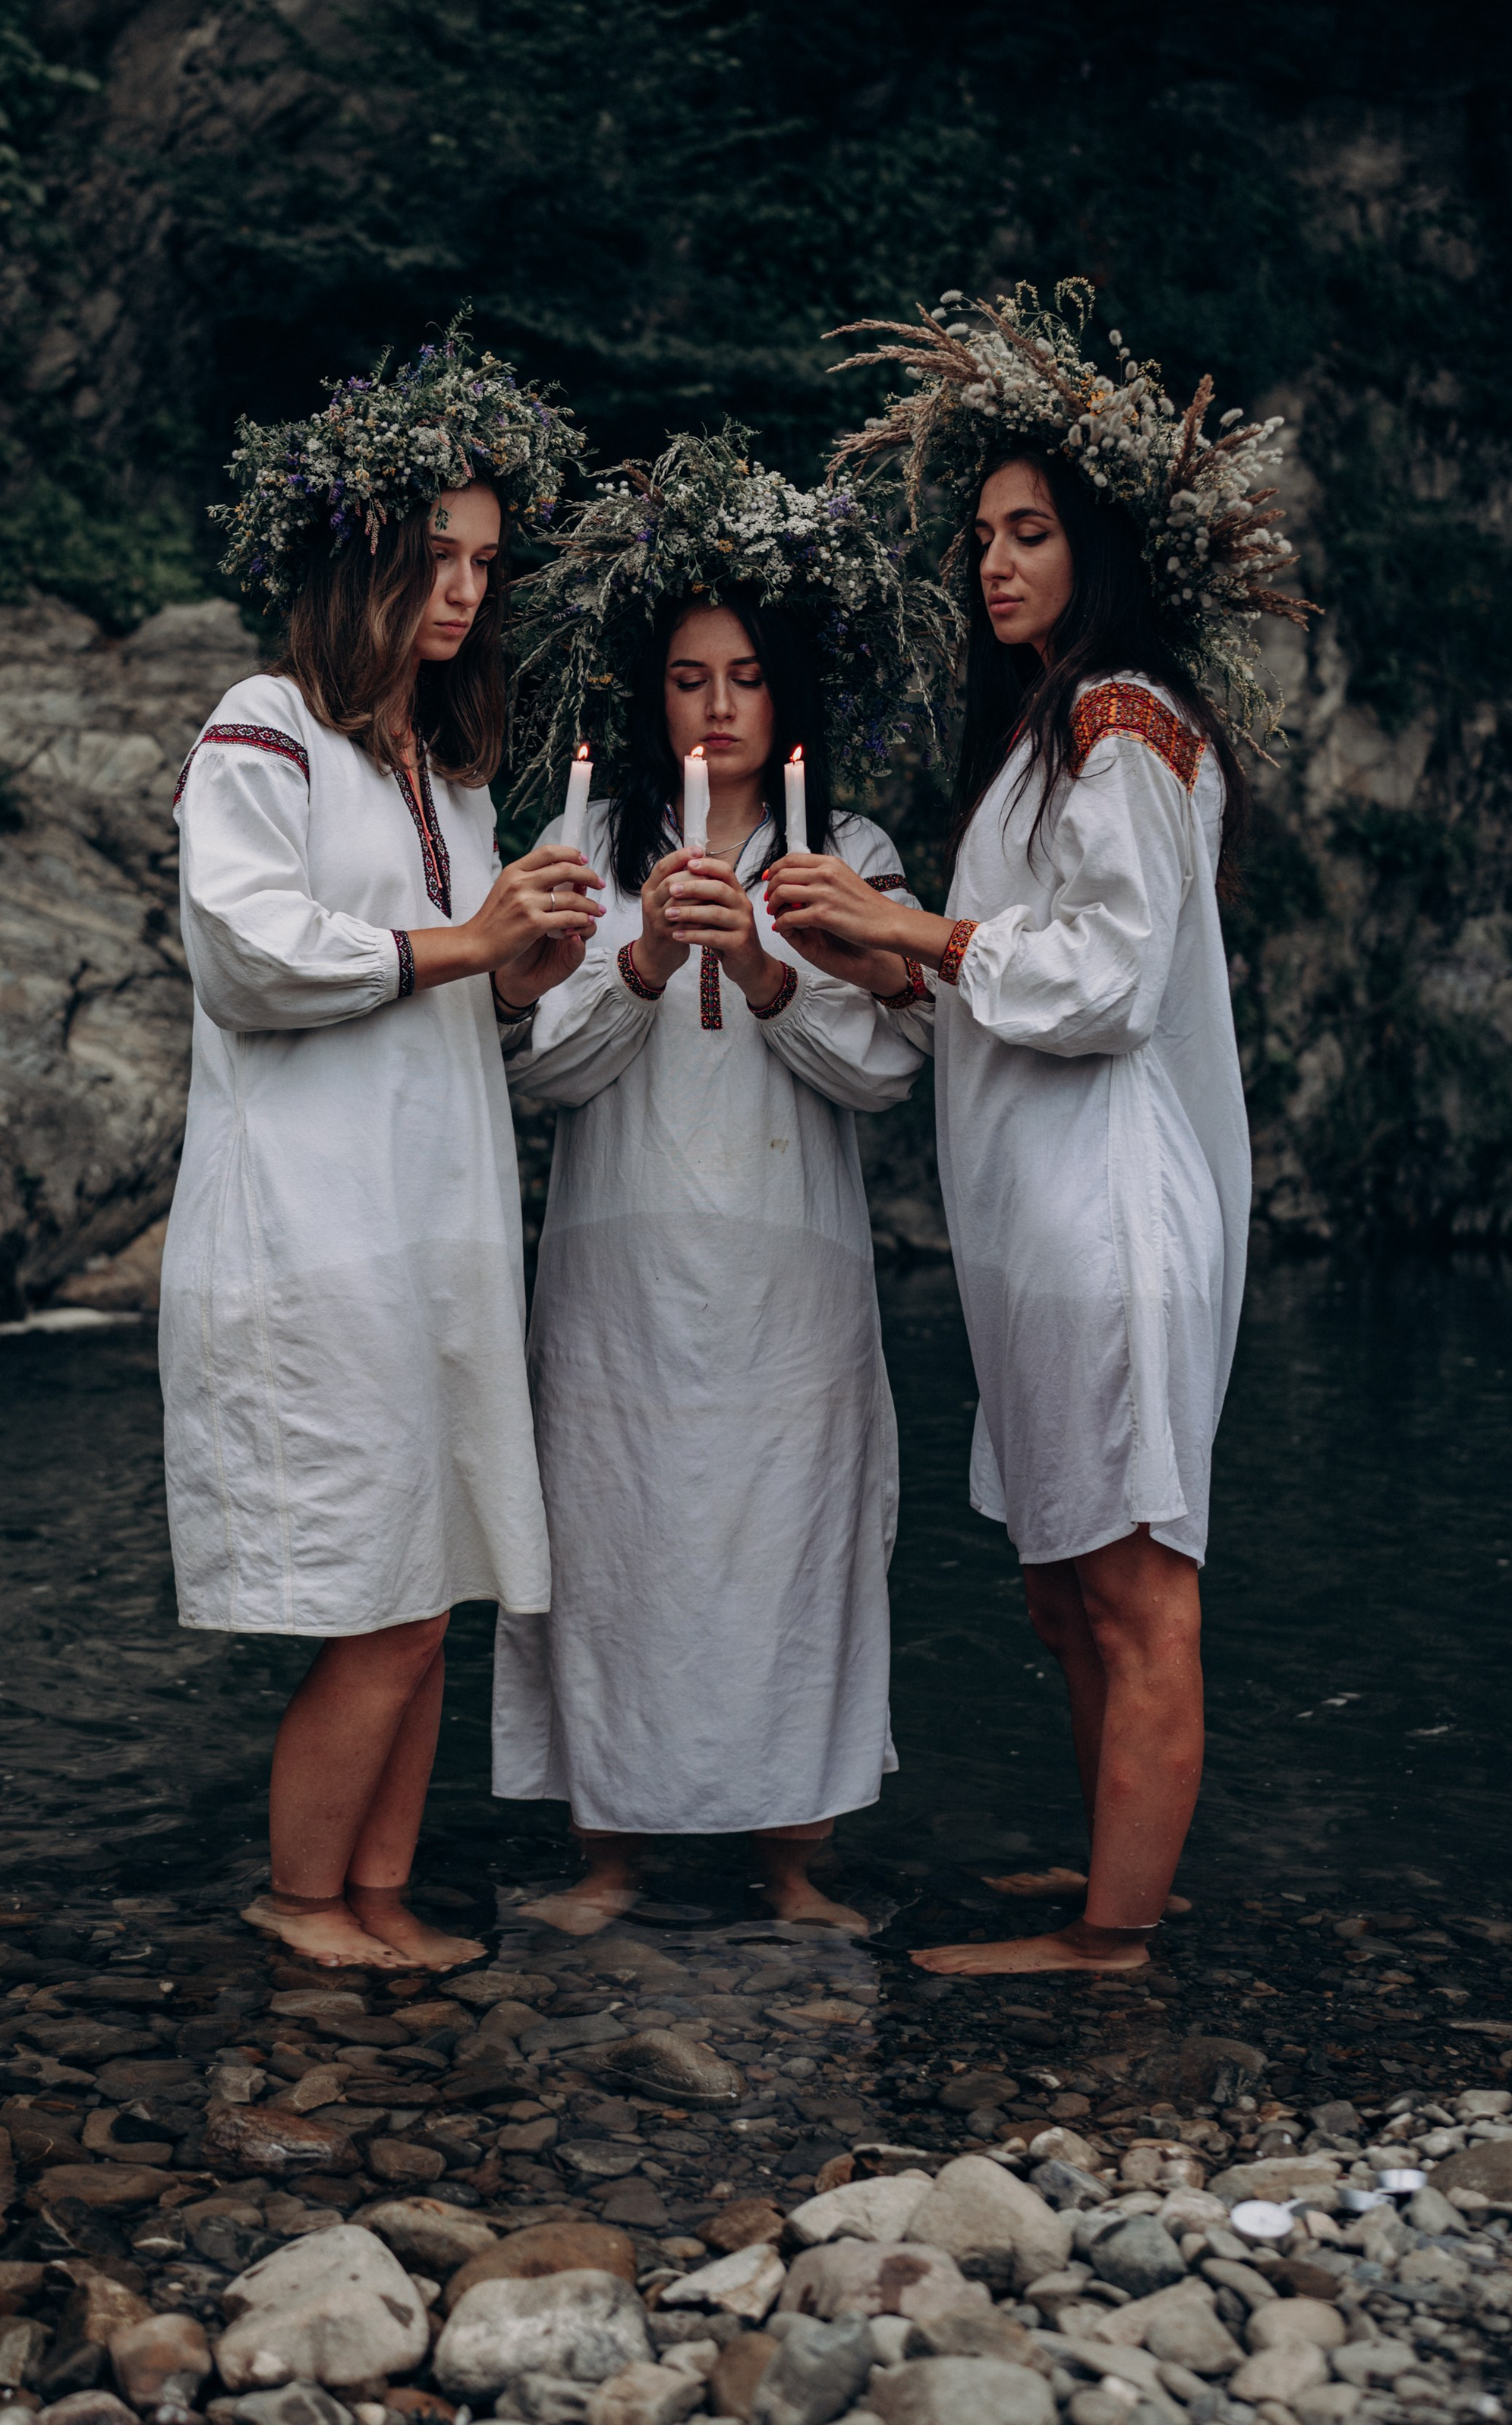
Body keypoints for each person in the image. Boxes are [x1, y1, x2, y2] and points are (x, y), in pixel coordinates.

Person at [766, 283, 1312, 1976]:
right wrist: (877, 947)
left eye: (1029, 530)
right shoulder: (1037, 734)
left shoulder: (1123, 716)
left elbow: (1112, 977)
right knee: (1058, 1578)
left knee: (1135, 1580)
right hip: (1033, 1218)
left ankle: (1114, 1942)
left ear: (1096, 542)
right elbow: (1017, 979)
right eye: (984, 535)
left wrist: (918, 929)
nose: (994, 561)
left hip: (1111, 1214)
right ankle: (1105, 1883)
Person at [162, 330, 601, 1972]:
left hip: (439, 1218)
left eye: (487, 562)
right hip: (312, 1229)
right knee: (374, 1592)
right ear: (364, 558)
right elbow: (246, 952)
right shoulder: (263, 727)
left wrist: (515, 972)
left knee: (437, 1574)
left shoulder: (449, 771)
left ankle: (379, 1894)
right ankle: (297, 1897)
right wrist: (457, 938)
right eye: (437, 557)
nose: (467, 589)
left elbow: (438, 971)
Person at [492, 430, 956, 1929]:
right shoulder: (581, 843)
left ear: (783, 692)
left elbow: (884, 1071)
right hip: (618, 1268)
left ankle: (791, 1857)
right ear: (652, 695)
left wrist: (761, 962)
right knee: (614, 1533)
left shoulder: (851, 852)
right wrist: (634, 960)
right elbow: (527, 1067)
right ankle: (607, 1852)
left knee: (788, 1540)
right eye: (688, 677)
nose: (715, 703)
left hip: (786, 1271)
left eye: (743, 675)